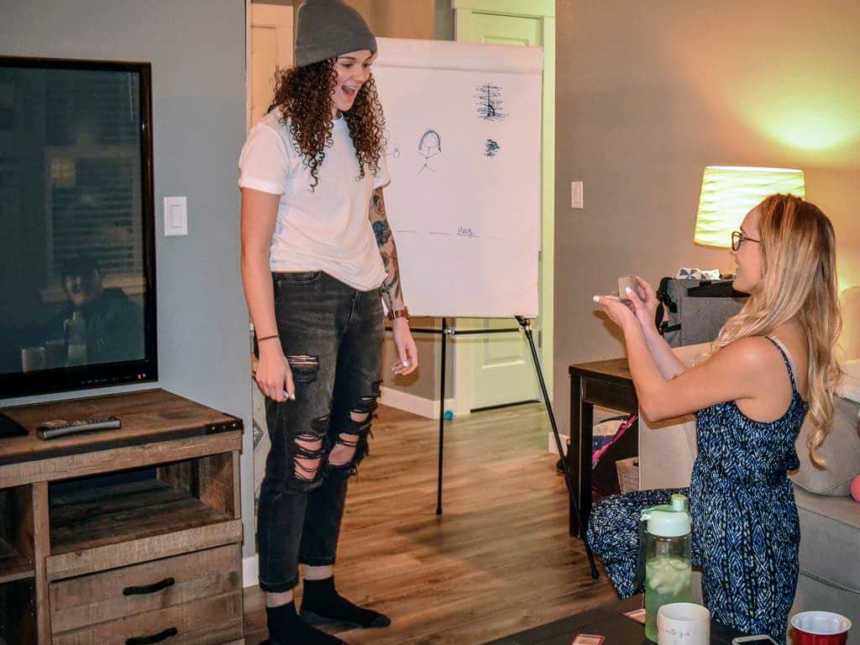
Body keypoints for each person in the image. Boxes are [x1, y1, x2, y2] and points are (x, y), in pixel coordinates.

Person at [238, 1, 418, 643]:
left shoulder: (361, 130)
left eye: (366, 65)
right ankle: (281, 617)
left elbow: (379, 224)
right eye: (348, 64)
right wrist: (267, 344)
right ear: (316, 64)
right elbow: (253, 250)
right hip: (302, 301)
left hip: (363, 300)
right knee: (300, 458)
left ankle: (320, 588)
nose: (359, 76)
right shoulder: (275, 135)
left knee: (344, 447)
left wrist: (399, 313)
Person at [590, 194, 841, 642]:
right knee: (613, 522)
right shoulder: (776, 336)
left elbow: (657, 404)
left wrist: (627, 330)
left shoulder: (759, 353)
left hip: (747, 534)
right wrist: (648, 325)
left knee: (743, 638)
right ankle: (658, 621)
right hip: (715, 508)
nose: (733, 249)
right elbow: (688, 389)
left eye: (743, 238)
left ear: (776, 256)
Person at [47, 255, 144, 366]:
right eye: (72, 277)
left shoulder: (127, 312)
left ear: (101, 277)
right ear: (64, 286)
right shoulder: (62, 319)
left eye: (87, 274)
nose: (80, 281)